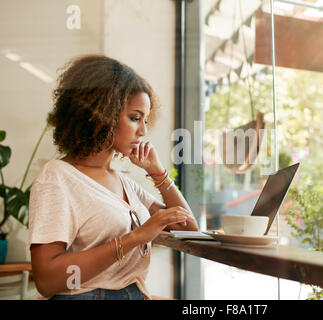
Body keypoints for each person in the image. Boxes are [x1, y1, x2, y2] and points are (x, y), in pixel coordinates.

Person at [28, 54, 199, 300]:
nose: (143, 131)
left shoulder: (124, 183)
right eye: (135, 117)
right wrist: (136, 237)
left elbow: (189, 229)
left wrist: (157, 172)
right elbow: (46, 280)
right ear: (101, 114)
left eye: (146, 120)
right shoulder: (57, 177)